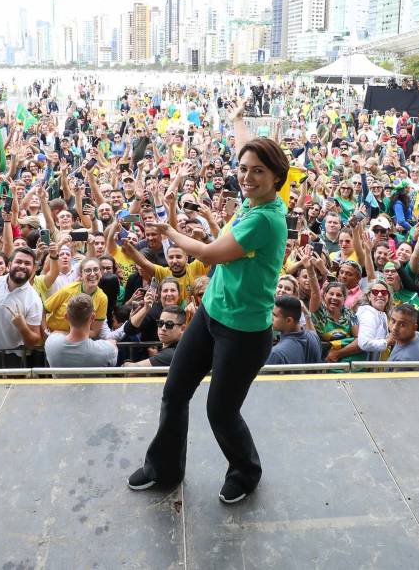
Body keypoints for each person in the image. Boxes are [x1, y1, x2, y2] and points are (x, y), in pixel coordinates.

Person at [128, 108, 289, 506]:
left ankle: (245, 472)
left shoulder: (264, 219)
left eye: (257, 172)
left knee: (221, 412)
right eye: (244, 168)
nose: (247, 176)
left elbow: (209, 253)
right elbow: (245, 151)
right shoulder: (254, 200)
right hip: (210, 315)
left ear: (276, 180)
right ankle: (162, 468)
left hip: (244, 331)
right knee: (175, 389)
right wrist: (238, 123)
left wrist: (170, 231)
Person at [44, 293, 118, 367]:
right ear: (92, 318)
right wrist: (111, 343)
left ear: (66, 317)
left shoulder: (51, 343)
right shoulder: (107, 350)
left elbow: (54, 334)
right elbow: (112, 347)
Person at [266, 295, 322, 365]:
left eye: (275, 315)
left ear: (289, 320)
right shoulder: (314, 336)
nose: (271, 317)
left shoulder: (276, 353)